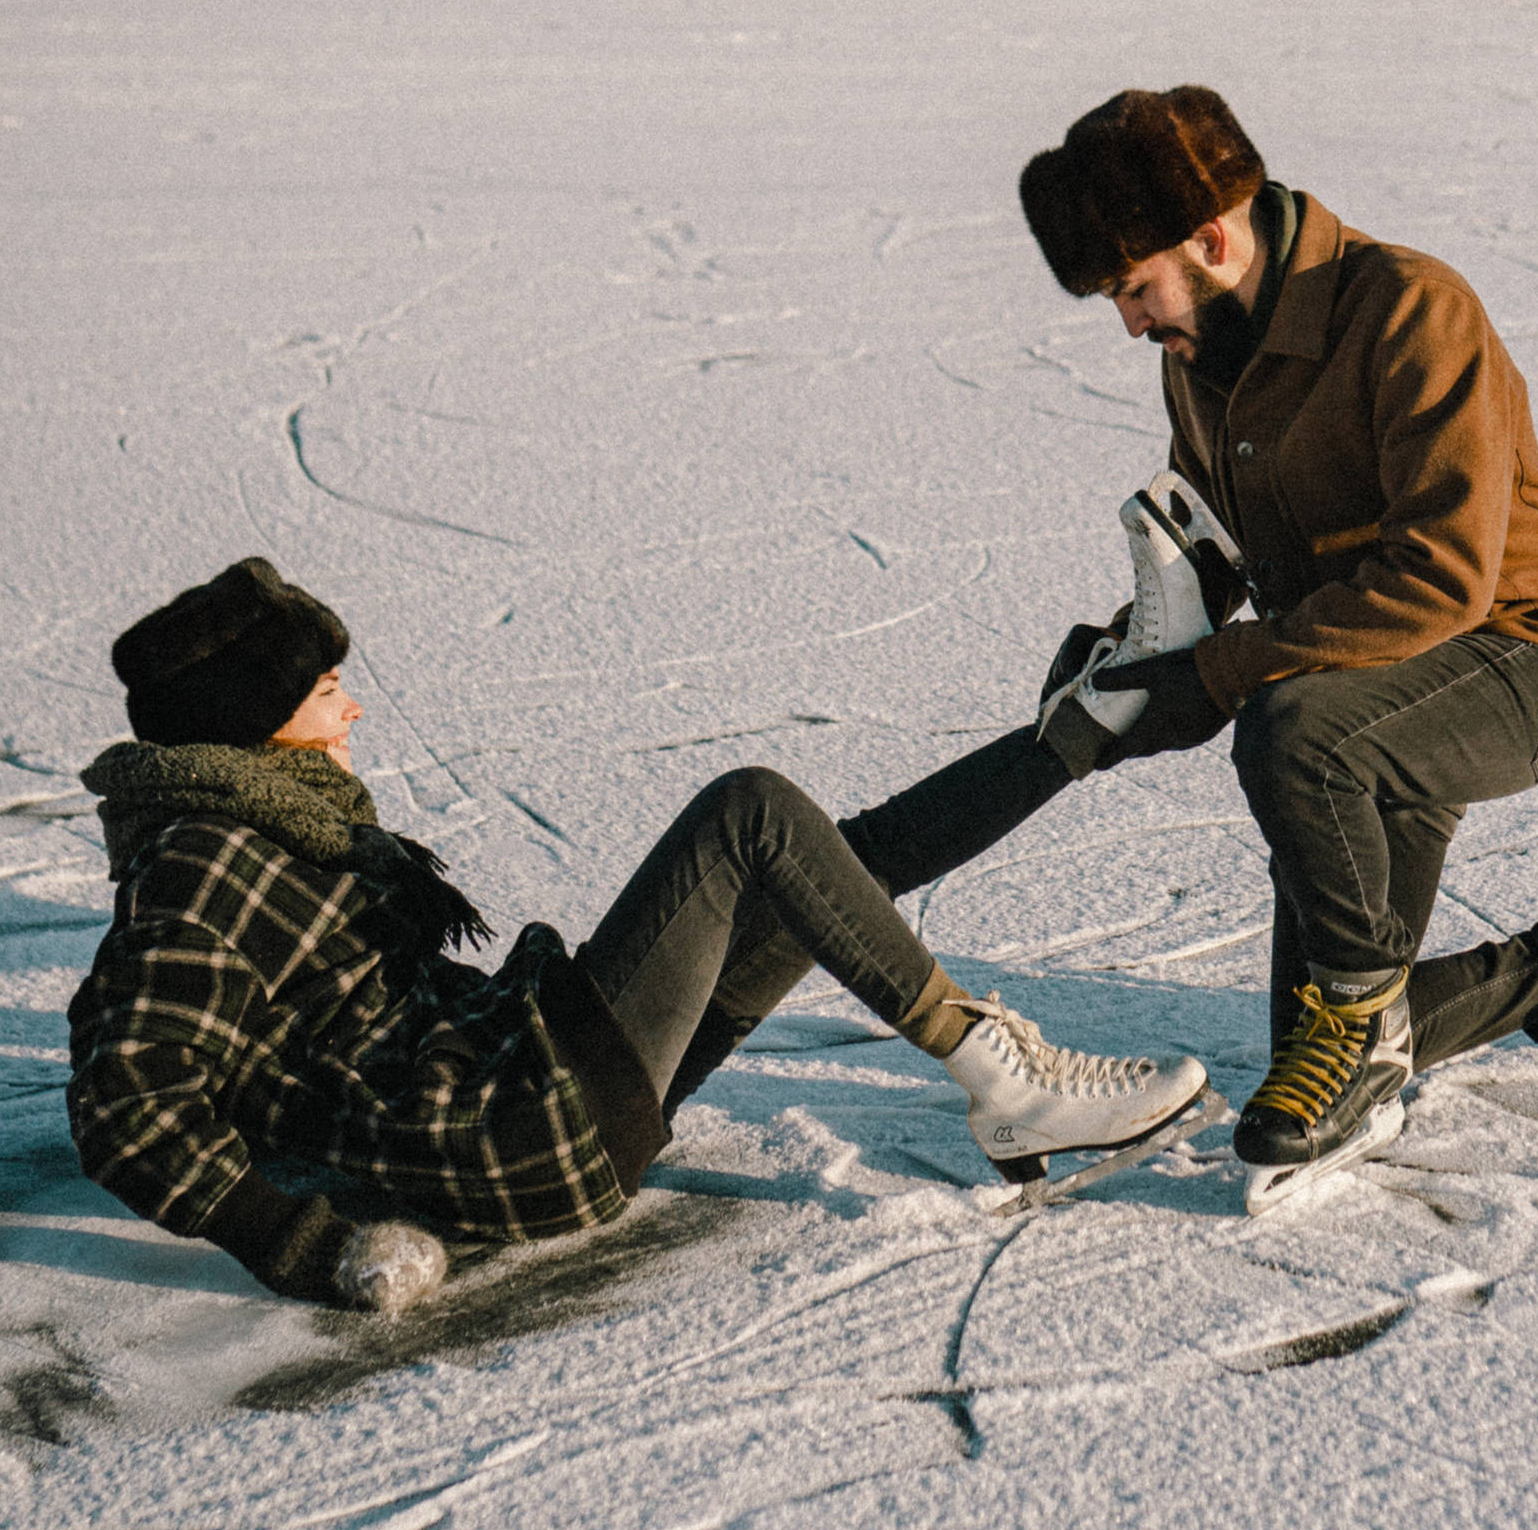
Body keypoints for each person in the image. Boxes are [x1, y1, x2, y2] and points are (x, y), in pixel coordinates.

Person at [68, 557, 1209, 1318]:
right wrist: (307, 1247)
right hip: (511, 1126)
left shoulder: (274, 819)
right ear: (251, 726)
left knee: (818, 864)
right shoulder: (205, 863)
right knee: (748, 809)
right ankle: (997, 1078)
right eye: (325, 690)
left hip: (518, 1094)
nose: (351, 707)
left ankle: (1074, 736)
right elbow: (125, 1100)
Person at [1014, 84, 1538, 1192]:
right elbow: (1214, 548)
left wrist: (1217, 676)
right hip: (1351, 687)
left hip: (1516, 661)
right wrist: (1127, 660)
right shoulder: (1200, 359)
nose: (1130, 323)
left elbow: (1443, 579)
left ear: (1211, 239)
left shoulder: (1410, 309)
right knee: (1304, 1055)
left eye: (1134, 289)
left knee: (1290, 738)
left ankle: (1365, 1019)